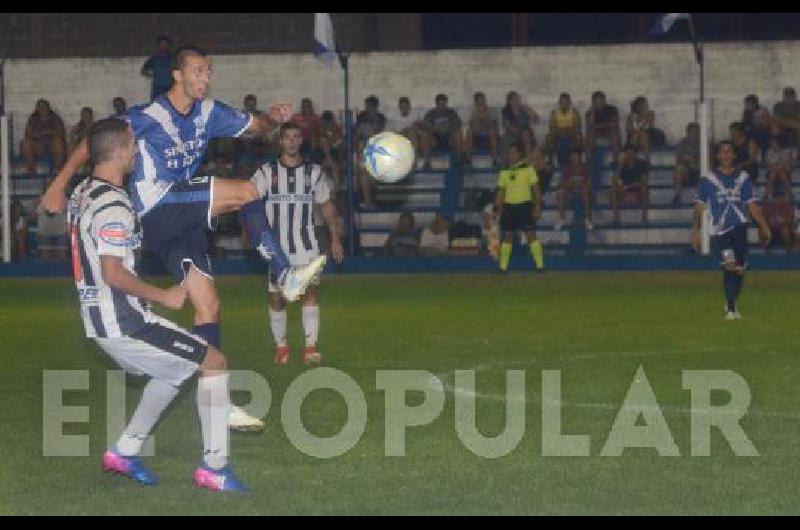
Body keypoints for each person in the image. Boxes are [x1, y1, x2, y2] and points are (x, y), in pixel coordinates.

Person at [42, 45, 326, 431]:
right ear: (177, 75)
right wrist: (59, 184)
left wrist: (273, 119)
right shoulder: (148, 116)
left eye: (208, 72)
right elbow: (95, 142)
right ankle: (285, 274)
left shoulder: (211, 113)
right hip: (155, 208)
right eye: (197, 71)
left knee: (208, 305)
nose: (204, 78)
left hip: (182, 223)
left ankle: (217, 404)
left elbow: (255, 128)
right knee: (247, 192)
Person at [69, 118, 247, 491]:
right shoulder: (115, 206)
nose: (136, 150)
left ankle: (124, 451)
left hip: (102, 319)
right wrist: (165, 295)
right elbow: (113, 273)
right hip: (125, 323)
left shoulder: (83, 192)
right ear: (117, 152)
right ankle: (215, 467)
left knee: (172, 373)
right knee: (214, 361)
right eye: (133, 145)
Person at [251, 122, 344, 366]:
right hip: (277, 248)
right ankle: (282, 347)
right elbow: (250, 204)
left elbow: (326, 206)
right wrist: (253, 234)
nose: (292, 141)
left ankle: (310, 347)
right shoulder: (266, 172)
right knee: (277, 299)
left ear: (301, 141)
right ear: (280, 142)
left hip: (307, 246)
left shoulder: (314, 172)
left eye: (296, 137)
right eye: (287, 137)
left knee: (310, 294)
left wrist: (334, 237)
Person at [691, 140, 771, 320]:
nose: (726, 155)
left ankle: (731, 300)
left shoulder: (743, 179)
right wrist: (695, 231)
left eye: (729, 152)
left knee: (740, 270)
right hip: (721, 232)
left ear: (734, 155)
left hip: (740, 229)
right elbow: (699, 207)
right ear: (718, 156)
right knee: (729, 266)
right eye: (723, 152)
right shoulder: (708, 181)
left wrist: (764, 226)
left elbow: (752, 206)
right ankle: (731, 309)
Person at [494, 143, 544, 273]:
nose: (510, 156)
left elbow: (535, 190)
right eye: (509, 153)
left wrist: (537, 207)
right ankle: (503, 267)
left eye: (512, 153)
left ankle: (540, 265)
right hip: (509, 206)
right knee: (507, 236)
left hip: (524, 205)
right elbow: (500, 191)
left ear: (519, 154)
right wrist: (497, 208)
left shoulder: (528, 169)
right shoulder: (504, 171)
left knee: (530, 234)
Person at [21, 99, 66, 178]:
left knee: (58, 142)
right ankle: (31, 170)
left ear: (48, 107)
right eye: (39, 107)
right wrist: (40, 134)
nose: (42, 109)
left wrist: (48, 132)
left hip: (51, 145)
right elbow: (28, 134)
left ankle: (57, 169)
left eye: (43, 106)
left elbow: (61, 133)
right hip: (38, 145)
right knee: (25, 143)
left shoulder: (55, 118)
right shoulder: (33, 118)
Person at [555, 150, 593, 231]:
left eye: (576, 158)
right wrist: (569, 183)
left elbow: (589, 184)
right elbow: (561, 184)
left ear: (580, 158)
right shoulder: (566, 169)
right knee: (560, 192)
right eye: (572, 158)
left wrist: (581, 185)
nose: (574, 160)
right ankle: (561, 218)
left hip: (583, 192)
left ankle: (587, 218)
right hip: (570, 192)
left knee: (585, 190)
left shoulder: (585, 168)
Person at [611, 144, 650, 224]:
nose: (629, 155)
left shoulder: (641, 164)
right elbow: (614, 181)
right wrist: (620, 166)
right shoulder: (622, 165)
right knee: (612, 190)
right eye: (627, 153)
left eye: (631, 153)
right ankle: (616, 216)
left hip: (637, 190)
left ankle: (645, 215)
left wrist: (628, 187)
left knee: (644, 188)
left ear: (635, 154)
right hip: (625, 192)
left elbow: (643, 182)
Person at [545, 92, 582, 168]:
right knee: (549, 137)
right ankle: (550, 161)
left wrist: (566, 130)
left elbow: (578, 126)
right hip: (558, 135)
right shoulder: (554, 113)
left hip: (571, 134)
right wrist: (562, 131)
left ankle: (578, 159)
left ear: (569, 102)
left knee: (578, 136)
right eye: (562, 101)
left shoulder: (574, 112)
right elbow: (552, 127)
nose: (564, 103)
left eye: (566, 101)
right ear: (559, 102)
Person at [585, 90, 620, 164]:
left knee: (613, 132)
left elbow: (614, 124)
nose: (599, 103)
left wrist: (599, 126)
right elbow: (590, 125)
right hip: (597, 134)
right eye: (597, 101)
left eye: (601, 100)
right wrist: (593, 110)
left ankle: (615, 160)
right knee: (591, 133)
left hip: (609, 132)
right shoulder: (590, 112)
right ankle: (588, 160)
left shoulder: (612, 109)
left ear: (604, 100)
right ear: (593, 102)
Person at [672, 122, 701, 205]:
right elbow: (679, 158)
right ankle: (677, 196)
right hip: (688, 171)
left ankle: (701, 198)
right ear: (688, 133)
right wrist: (688, 159)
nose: (695, 134)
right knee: (679, 169)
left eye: (697, 132)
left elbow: (710, 159)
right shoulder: (682, 143)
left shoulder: (705, 142)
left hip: (701, 170)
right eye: (692, 132)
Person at [141, 35, 173, 101]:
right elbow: (143, 71)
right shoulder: (154, 59)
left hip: (170, 88)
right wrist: (152, 74)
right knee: (156, 107)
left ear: (168, 46)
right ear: (158, 46)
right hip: (157, 89)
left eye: (165, 44)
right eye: (161, 44)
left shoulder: (173, 59)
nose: (163, 46)